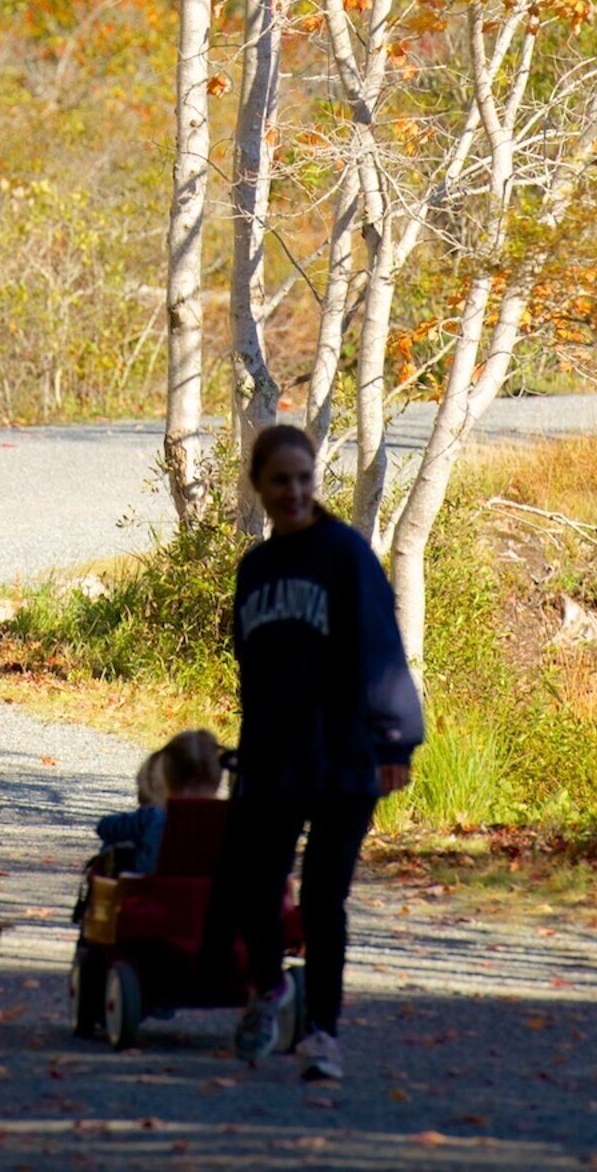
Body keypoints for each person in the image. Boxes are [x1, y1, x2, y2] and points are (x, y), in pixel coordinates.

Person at [201, 421, 422, 1086]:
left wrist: (395, 740)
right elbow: (250, 666)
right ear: (259, 489)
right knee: (251, 886)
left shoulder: (345, 554)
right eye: (279, 481)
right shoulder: (255, 569)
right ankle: (269, 994)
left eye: (303, 478)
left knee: (323, 899)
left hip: (347, 756)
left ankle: (323, 1035)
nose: (293, 491)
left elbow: (381, 649)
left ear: (314, 481)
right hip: (273, 757)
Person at [95, 728, 227, 872]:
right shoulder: (228, 819)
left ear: (167, 777)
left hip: (149, 890)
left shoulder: (155, 816)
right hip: (211, 892)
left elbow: (104, 826)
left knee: (114, 844)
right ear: (218, 778)